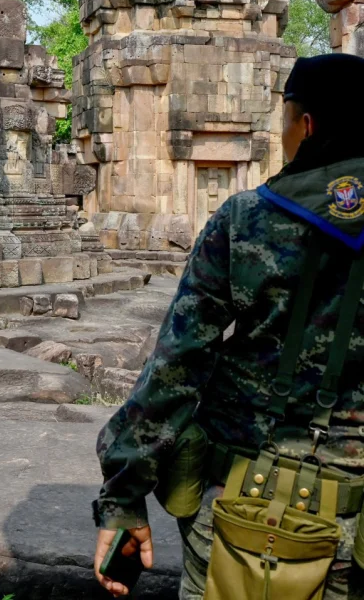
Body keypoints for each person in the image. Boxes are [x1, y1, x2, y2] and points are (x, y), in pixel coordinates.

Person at [93, 53, 364, 599]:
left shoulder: (246, 220)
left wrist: (125, 491)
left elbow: (178, 365)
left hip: (241, 500)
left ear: (305, 125)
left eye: (284, 118)